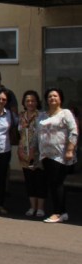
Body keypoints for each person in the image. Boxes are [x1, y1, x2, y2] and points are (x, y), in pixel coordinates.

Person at [37, 88, 78, 223]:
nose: (52, 98)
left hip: (60, 155)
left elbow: (74, 131)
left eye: (55, 96)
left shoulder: (65, 113)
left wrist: (70, 150)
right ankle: (62, 211)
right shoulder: (42, 115)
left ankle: (58, 212)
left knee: (57, 183)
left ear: (60, 99)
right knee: (53, 183)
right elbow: (37, 134)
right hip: (45, 155)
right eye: (49, 96)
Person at [17, 90, 46, 218]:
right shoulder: (21, 116)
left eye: (33, 100)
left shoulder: (42, 116)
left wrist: (35, 152)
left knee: (40, 180)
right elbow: (20, 134)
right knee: (29, 181)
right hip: (24, 153)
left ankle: (40, 208)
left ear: (37, 102)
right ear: (24, 102)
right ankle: (32, 206)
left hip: (39, 152)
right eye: (27, 100)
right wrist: (20, 151)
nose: (30, 103)